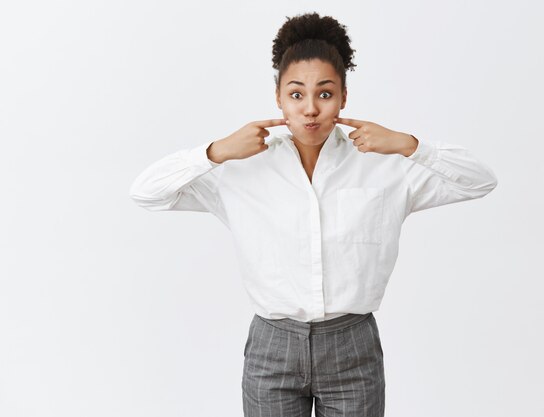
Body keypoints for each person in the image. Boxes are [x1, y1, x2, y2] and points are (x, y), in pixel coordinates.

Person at [129, 11, 497, 417]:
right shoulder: (241, 170)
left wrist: (408, 144)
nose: (310, 110)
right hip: (271, 348)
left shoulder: (383, 166)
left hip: (352, 345)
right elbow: (146, 193)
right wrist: (215, 152)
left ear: (343, 97)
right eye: (296, 94)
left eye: (324, 94)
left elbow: (479, 181)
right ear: (278, 98)